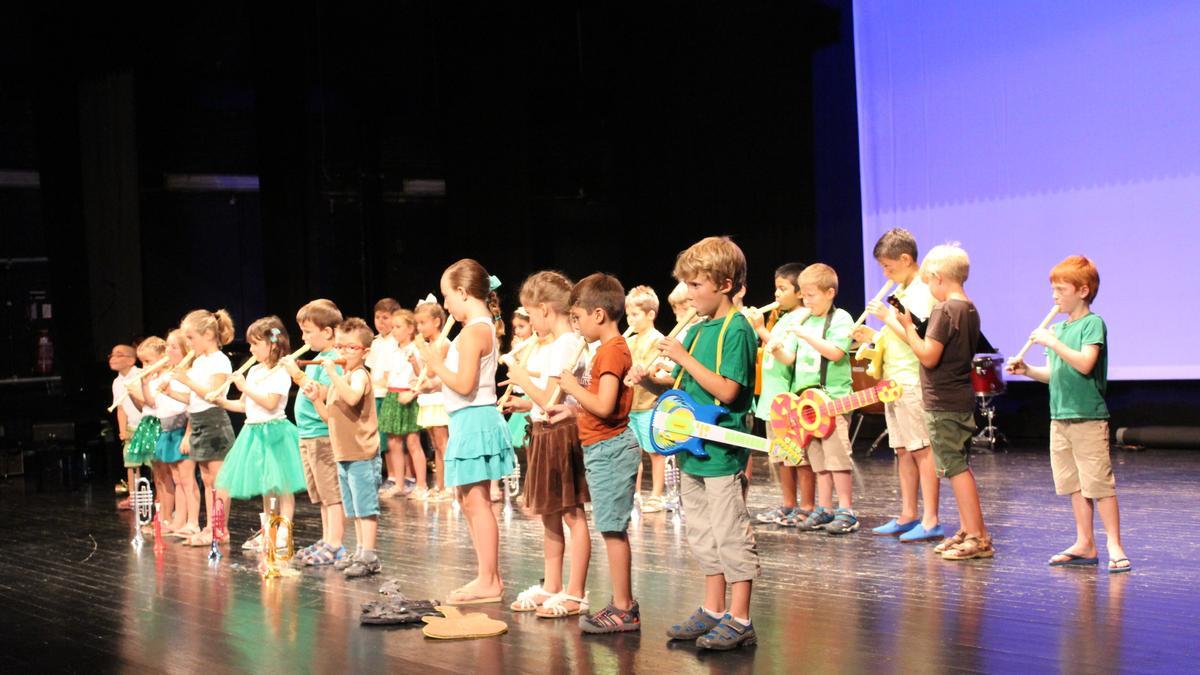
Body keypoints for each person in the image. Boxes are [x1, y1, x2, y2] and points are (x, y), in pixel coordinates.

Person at [630, 236, 759, 651]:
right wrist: (648, 379)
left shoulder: (735, 328)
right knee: (702, 532)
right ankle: (713, 608)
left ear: (723, 284)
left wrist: (682, 357)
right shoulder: (701, 327)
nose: (688, 294)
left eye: (695, 286)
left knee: (730, 533)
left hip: (720, 451)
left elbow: (726, 391)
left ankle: (740, 618)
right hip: (692, 447)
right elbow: (687, 387)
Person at [1007, 255, 1129, 573]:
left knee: (1098, 484)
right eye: (1053, 290)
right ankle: (1084, 542)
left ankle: (1115, 545)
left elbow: (1085, 363)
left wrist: (1052, 341)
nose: (1054, 297)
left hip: (1087, 416)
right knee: (1073, 484)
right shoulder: (1058, 327)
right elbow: (1056, 373)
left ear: (1083, 291)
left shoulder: (1092, 324)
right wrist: (1028, 370)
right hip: (1059, 417)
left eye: (1061, 289)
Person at [418, 259, 516, 603]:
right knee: (468, 500)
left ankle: (489, 580)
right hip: (467, 417)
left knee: (478, 503)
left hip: (474, 419)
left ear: (462, 292)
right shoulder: (476, 328)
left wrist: (436, 364)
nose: (446, 305)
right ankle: (486, 576)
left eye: (448, 296)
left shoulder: (475, 330)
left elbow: (464, 383)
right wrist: (435, 375)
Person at [898, 244, 993, 561]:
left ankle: (978, 537)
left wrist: (909, 329)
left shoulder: (944, 310)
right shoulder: (969, 308)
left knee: (955, 468)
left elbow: (928, 355)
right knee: (958, 465)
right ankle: (970, 529)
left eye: (929, 283)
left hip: (943, 401)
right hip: (960, 397)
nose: (931, 291)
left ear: (938, 277)